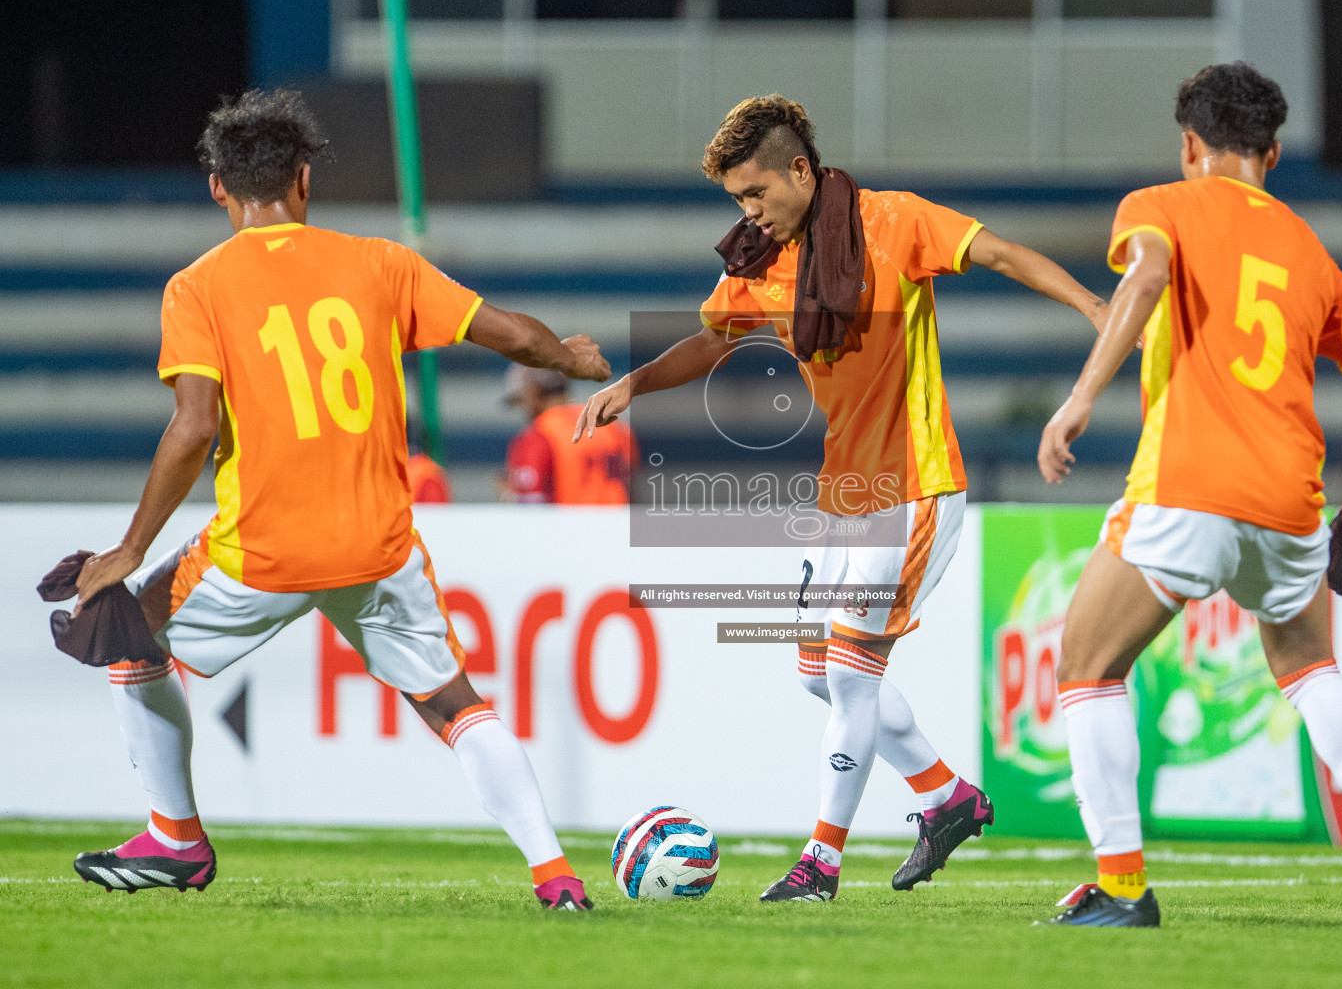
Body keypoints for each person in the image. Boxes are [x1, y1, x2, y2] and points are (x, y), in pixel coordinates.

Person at [68, 89, 609, 912]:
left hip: (263, 551)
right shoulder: (381, 264)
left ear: (219, 188)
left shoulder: (198, 288)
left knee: (128, 635)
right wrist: (568, 358)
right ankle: (555, 874)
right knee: (454, 704)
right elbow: (514, 337)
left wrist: (132, 548)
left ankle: (177, 839)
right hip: (378, 547)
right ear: (305, 179)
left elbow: (192, 427)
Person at [577, 94, 1108, 902]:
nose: (748, 213)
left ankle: (820, 863)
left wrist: (1095, 308)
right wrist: (635, 382)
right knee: (817, 676)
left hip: (915, 485)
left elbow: (999, 254)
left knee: (852, 674)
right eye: (736, 202)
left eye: (756, 194)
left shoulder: (895, 222)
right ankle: (945, 797)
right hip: (843, 492)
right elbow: (712, 340)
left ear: (801, 170)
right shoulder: (762, 259)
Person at [1037, 62, 1342, 928]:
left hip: (1188, 488)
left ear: (1190, 145)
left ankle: (1123, 888)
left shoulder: (1160, 206)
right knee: (1310, 667)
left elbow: (1141, 282)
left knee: (1088, 669)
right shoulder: (1312, 253)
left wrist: (1078, 401)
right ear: (1274, 154)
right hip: (1292, 501)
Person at [500, 363, 636, 503]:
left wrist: (510, 495)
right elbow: (633, 488)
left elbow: (530, 509)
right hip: (618, 523)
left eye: (522, 403)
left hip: (570, 524)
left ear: (533, 394)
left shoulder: (537, 436)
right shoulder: (615, 426)